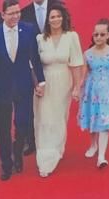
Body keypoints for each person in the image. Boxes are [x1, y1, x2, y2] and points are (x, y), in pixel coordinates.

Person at [0, 0, 45, 181]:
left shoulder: (29, 30)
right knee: (3, 128)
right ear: (3, 15)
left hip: (23, 84)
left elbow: (35, 58)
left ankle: (17, 152)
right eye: (11, 13)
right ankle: (6, 164)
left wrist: (41, 81)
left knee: (22, 123)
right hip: (1, 88)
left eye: (17, 12)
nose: (15, 16)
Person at [33, 4, 84, 178]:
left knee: (59, 118)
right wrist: (36, 84)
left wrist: (77, 87)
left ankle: (57, 149)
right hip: (44, 83)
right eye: (52, 17)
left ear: (63, 18)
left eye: (58, 16)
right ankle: (45, 158)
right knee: (44, 119)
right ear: (47, 20)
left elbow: (76, 63)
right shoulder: (40, 39)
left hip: (63, 82)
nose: (56, 19)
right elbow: (33, 65)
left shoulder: (71, 36)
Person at [79, 18, 109, 169]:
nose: (98, 37)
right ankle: (93, 144)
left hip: (108, 92)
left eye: (102, 34)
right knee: (93, 117)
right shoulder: (87, 54)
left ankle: (101, 157)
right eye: (96, 34)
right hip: (92, 91)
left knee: (105, 121)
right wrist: (78, 88)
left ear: (108, 35)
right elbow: (83, 74)